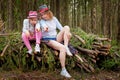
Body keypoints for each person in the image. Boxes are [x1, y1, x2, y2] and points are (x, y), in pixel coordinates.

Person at [37, 5, 72, 78]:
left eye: (45, 14)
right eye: (42, 15)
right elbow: (43, 26)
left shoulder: (54, 19)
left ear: (48, 12)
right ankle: (63, 70)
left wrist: (67, 33)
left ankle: (66, 46)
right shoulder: (41, 21)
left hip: (56, 38)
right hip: (48, 39)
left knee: (66, 27)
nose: (43, 16)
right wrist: (45, 28)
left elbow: (61, 28)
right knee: (62, 48)